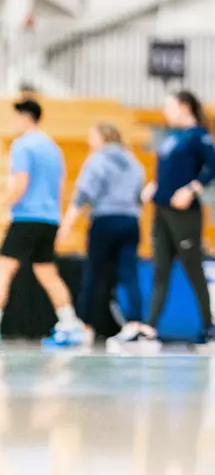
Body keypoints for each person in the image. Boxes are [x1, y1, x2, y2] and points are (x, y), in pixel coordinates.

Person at [116, 91, 215, 350]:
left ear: (185, 107)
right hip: (161, 210)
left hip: (184, 214)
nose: (165, 111)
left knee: (193, 269)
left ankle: (208, 331)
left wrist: (191, 189)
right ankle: (150, 329)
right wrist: (154, 185)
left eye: (169, 106)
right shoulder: (171, 136)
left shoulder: (199, 136)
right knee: (159, 269)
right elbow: (168, 170)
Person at [0, 99, 85, 346]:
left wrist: (3, 203)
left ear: (26, 118)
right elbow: (59, 188)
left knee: (4, 270)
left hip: (26, 217)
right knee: (47, 272)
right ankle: (69, 323)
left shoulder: (22, 146)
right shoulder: (52, 148)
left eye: (16, 117)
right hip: (49, 219)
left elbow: (20, 184)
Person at [57, 122, 144, 344]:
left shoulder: (97, 160)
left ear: (103, 138)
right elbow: (139, 196)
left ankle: (87, 325)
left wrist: (66, 225)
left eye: (92, 136)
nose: (89, 141)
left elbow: (82, 194)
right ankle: (134, 323)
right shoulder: (134, 162)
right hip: (130, 222)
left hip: (105, 220)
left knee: (93, 274)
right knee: (129, 274)